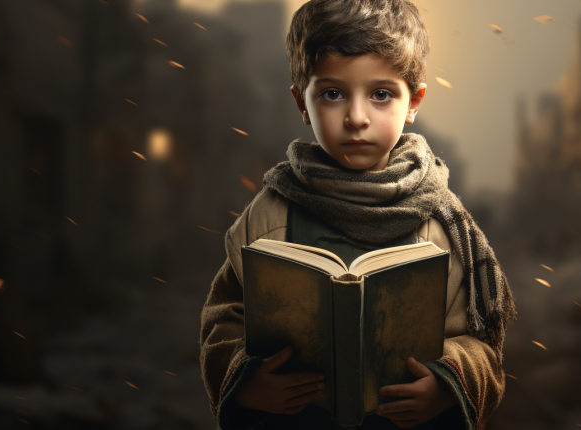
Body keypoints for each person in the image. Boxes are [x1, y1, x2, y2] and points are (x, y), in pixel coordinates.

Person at [199, 0, 517, 428]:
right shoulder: (270, 213)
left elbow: (482, 347)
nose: (356, 118)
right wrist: (248, 383)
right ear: (301, 102)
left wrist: (445, 386)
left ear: (414, 101)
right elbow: (223, 321)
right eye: (332, 94)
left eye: (381, 94)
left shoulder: (441, 220)